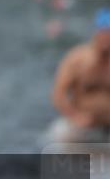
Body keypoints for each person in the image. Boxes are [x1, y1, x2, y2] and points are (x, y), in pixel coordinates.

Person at [45, 9, 110, 144]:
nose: (107, 37)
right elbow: (58, 94)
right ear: (97, 33)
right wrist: (75, 116)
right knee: (59, 134)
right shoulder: (78, 59)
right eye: (104, 32)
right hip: (84, 125)